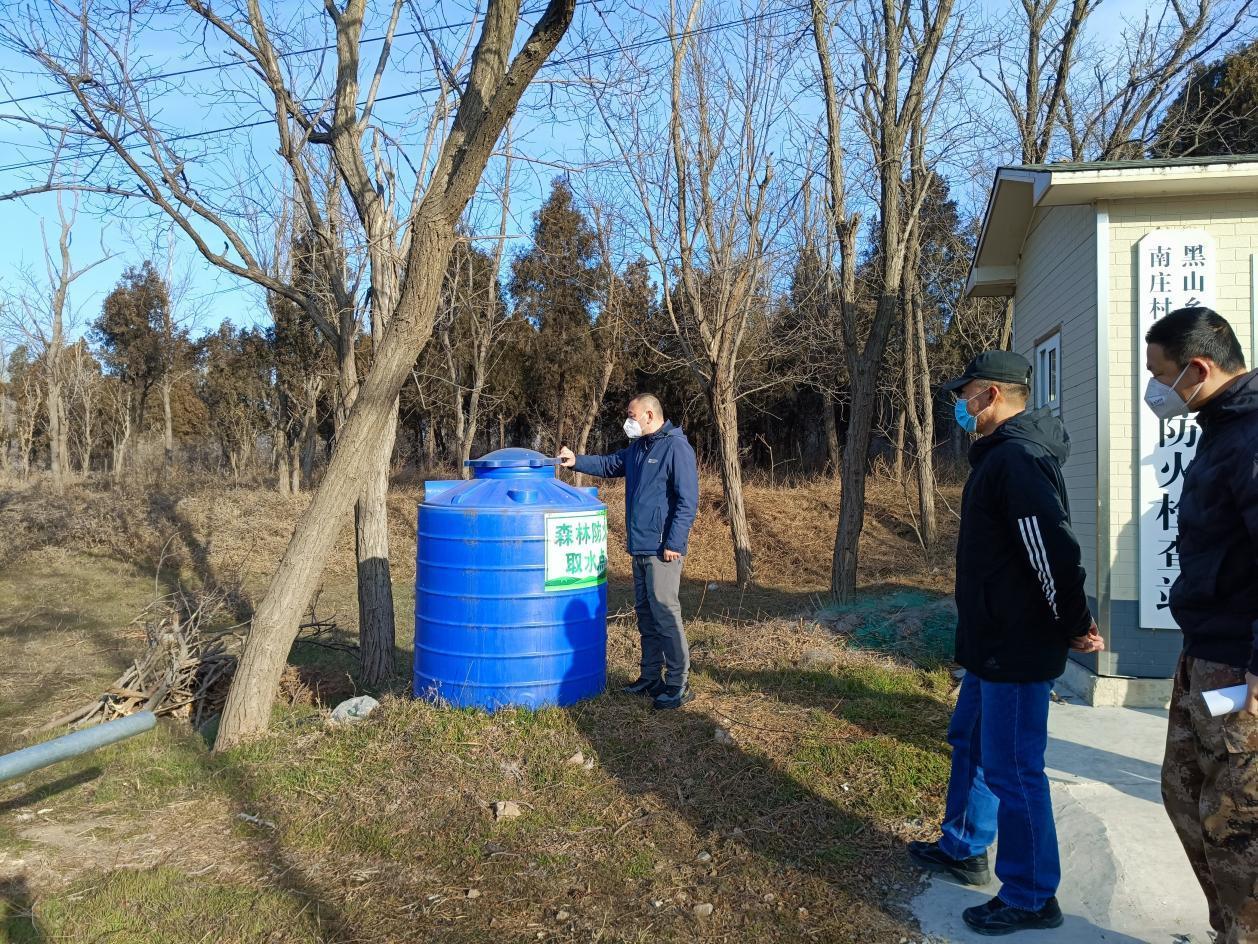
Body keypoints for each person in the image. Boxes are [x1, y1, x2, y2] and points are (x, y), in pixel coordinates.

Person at [908, 350, 1105, 935]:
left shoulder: (1017, 459)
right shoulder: (998, 457)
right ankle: (964, 846)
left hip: (1017, 646)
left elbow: (1053, 551)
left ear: (991, 395)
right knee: (969, 739)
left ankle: (1031, 893)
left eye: (965, 396)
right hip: (990, 640)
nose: (959, 407)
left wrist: (1074, 624)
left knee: (1015, 768)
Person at [1143, 306, 1258, 944]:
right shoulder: (1222, 425)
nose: (1156, 390)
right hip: (1206, 656)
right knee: (1187, 792)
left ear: (1199, 368)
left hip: (1243, 667)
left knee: (1237, 819)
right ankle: (1228, 929)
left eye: (1161, 376)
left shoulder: (1252, 434)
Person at [558, 394, 699, 710]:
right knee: (646, 616)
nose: (628, 421)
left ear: (650, 414)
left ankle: (678, 682)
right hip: (639, 546)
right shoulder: (639, 448)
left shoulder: (675, 447)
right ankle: (651, 676)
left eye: (631, 415)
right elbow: (609, 463)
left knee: (665, 612)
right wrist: (576, 460)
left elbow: (688, 501)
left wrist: (675, 543)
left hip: (663, 549)